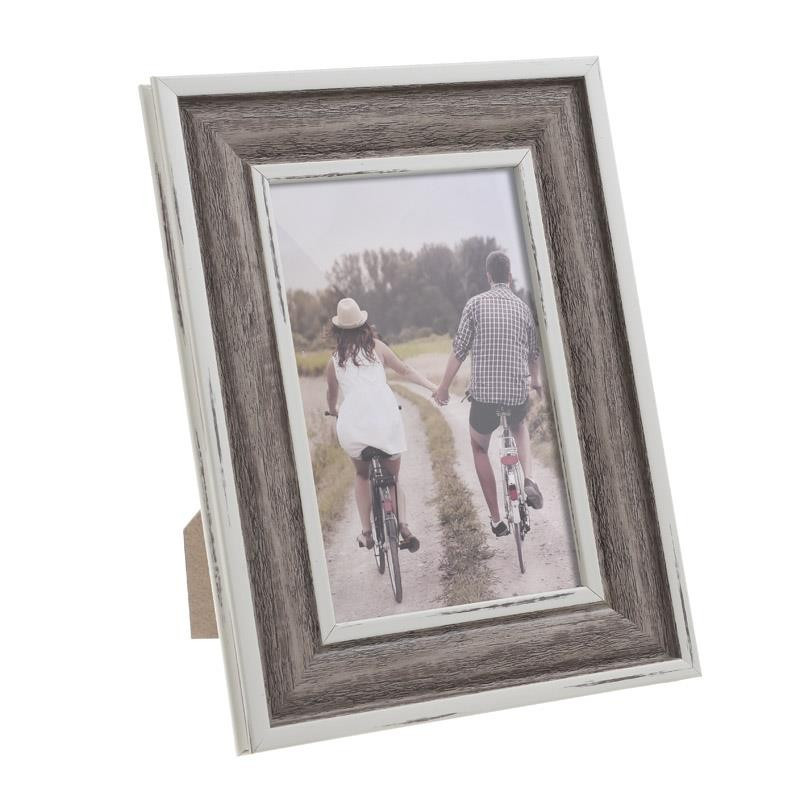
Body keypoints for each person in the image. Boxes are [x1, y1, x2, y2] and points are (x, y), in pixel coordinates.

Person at [433, 251, 544, 537]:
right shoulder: (523, 309)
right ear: (510, 276)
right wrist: (536, 382)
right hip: (516, 396)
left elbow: (459, 351)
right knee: (519, 426)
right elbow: (533, 353)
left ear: (488, 276)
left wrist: (443, 387)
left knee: (479, 447)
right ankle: (529, 480)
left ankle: (496, 519)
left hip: (484, 399)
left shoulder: (474, 304)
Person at [325, 297, 438, 550]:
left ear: (338, 330)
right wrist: (433, 387)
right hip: (386, 421)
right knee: (393, 478)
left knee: (361, 474)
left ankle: (367, 533)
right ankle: (404, 526)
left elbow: (331, 397)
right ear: (363, 324)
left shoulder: (334, 362)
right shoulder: (377, 348)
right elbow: (405, 370)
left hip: (354, 428)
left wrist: (334, 411)